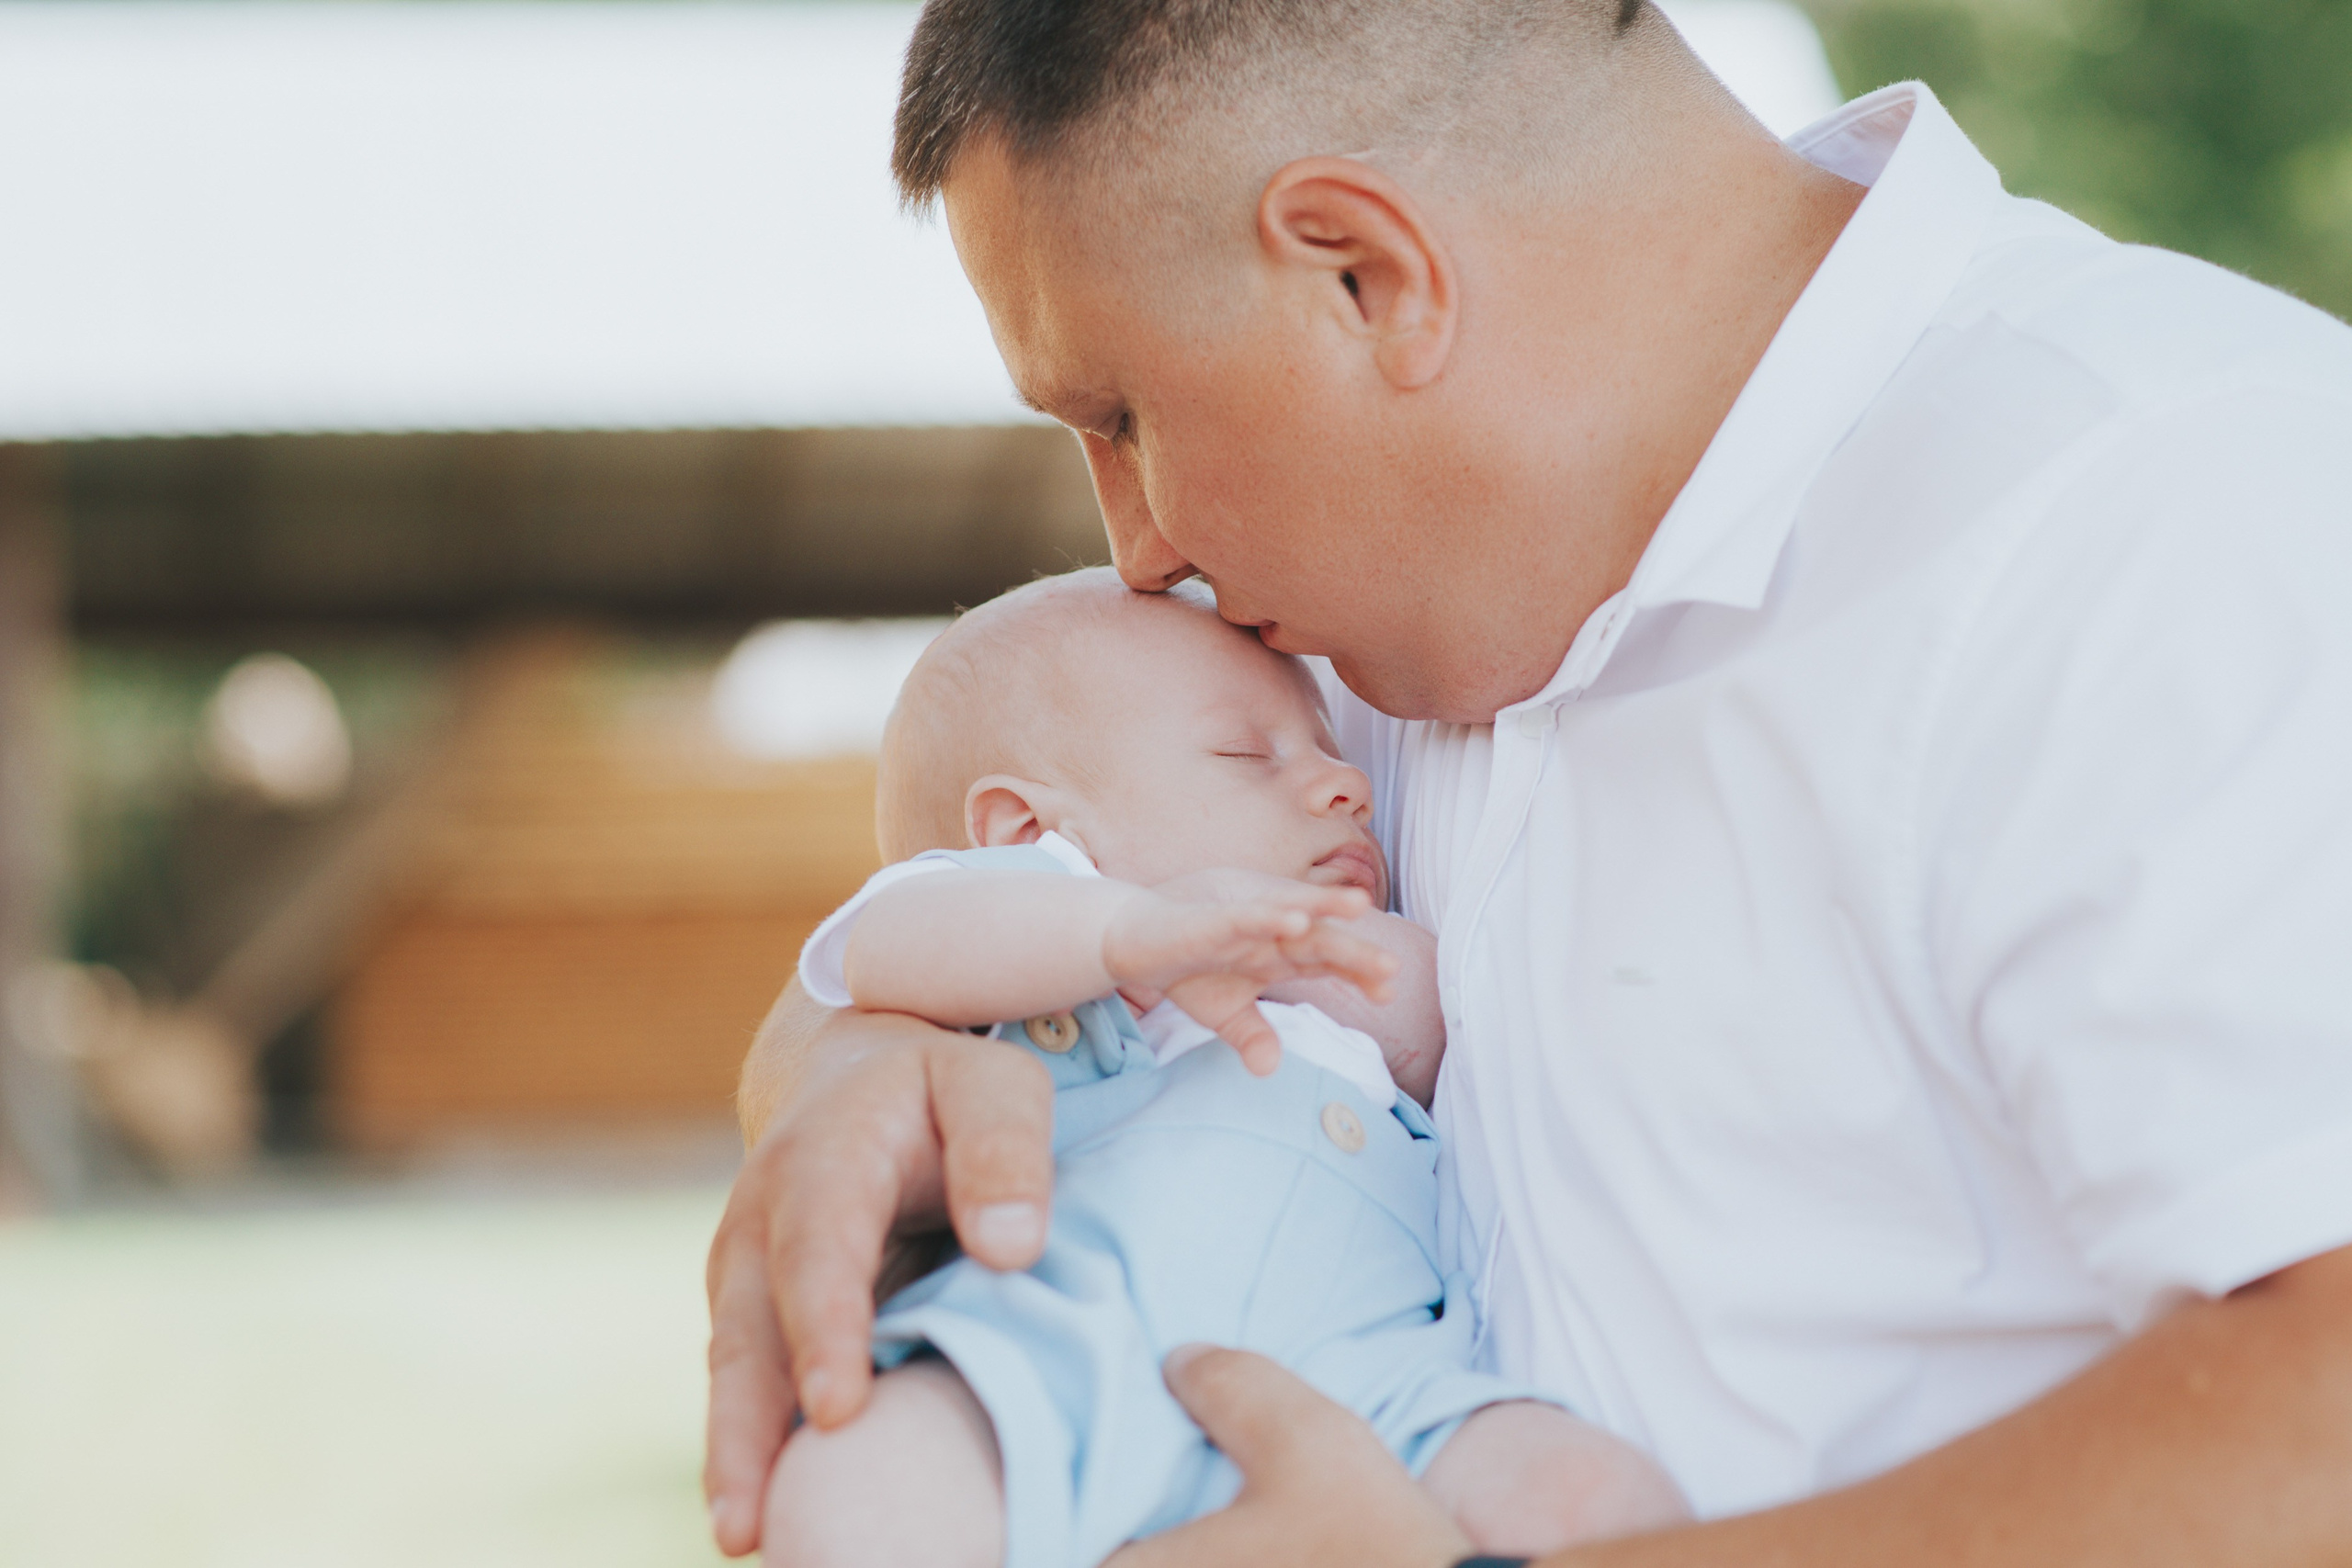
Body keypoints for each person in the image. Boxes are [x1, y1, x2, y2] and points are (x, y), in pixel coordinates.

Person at [707, 2, 2352, 1563]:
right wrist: (848, 1067)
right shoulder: (1356, 639)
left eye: (1123, 414)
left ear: (1364, 275)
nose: (1137, 549)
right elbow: (995, 912)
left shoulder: (2182, 513)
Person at [761, 570, 1686, 1567]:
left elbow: (1431, 1004)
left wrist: (1288, 944)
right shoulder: (1039, 934)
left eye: (1331, 750)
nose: (1348, 787)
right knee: (854, 1484)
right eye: (1248, 755)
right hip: (1055, 1362)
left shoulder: (1347, 963)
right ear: (1029, 834)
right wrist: (1123, 930)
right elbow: (880, 945)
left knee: (1597, 1499)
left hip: (1376, 1392)